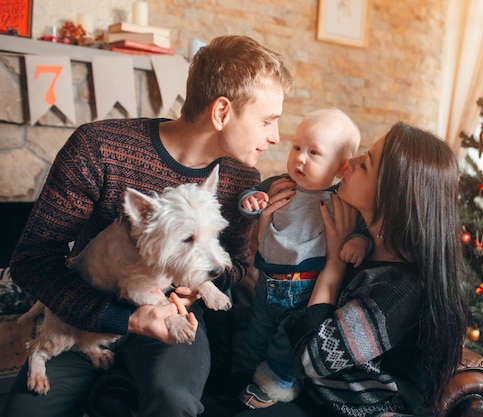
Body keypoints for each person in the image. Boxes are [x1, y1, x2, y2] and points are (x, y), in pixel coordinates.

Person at [3, 35, 293, 417]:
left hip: (172, 319)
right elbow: (31, 260)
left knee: (174, 402)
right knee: (26, 412)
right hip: (82, 316)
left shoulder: (240, 180)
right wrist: (124, 319)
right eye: (268, 121)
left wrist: (193, 290)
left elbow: (235, 265)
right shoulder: (97, 147)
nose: (275, 136)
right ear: (222, 112)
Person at [235, 122, 468, 417]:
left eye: (366, 163)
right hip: (311, 395)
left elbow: (310, 358)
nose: (350, 162)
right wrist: (268, 228)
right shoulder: (356, 240)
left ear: (391, 193)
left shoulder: (399, 289)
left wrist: (334, 263)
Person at [237, 108, 371, 409]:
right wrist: (250, 201)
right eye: (297, 147)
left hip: (305, 290)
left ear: (340, 168)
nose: (299, 158)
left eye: (314, 153)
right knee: (258, 331)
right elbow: (250, 200)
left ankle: (278, 382)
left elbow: (362, 229)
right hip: (266, 282)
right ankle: (249, 371)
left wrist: (359, 242)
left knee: (286, 341)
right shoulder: (279, 184)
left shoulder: (341, 200)